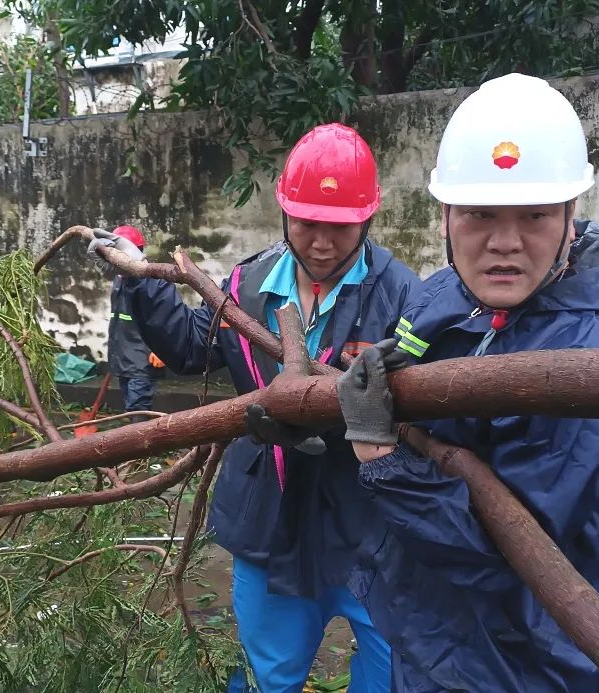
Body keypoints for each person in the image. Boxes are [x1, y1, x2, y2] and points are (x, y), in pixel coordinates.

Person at [312, 73, 599, 692]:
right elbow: (407, 359)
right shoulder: (448, 290)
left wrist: (377, 454)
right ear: (446, 217)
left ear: (570, 219)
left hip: (517, 661)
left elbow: (501, 551)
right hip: (427, 627)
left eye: (534, 216)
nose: (505, 244)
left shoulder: (595, 362)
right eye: (479, 215)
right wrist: (310, 419)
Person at [87, 123, 421, 692]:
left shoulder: (404, 296)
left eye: (339, 226)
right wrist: (141, 279)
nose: (321, 241)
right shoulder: (248, 281)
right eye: (307, 222)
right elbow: (194, 347)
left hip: (368, 522)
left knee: (392, 673)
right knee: (272, 672)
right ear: (283, 212)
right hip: (270, 514)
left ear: (367, 220)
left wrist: (359, 414)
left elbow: (421, 409)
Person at [106, 225, 165, 417]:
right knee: (130, 408)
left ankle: (140, 446)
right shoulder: (119, 280)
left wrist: (160, 349)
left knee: (138, 408)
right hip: (122, 357)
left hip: (142, 358)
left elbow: (162, 317)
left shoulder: (149, 280)